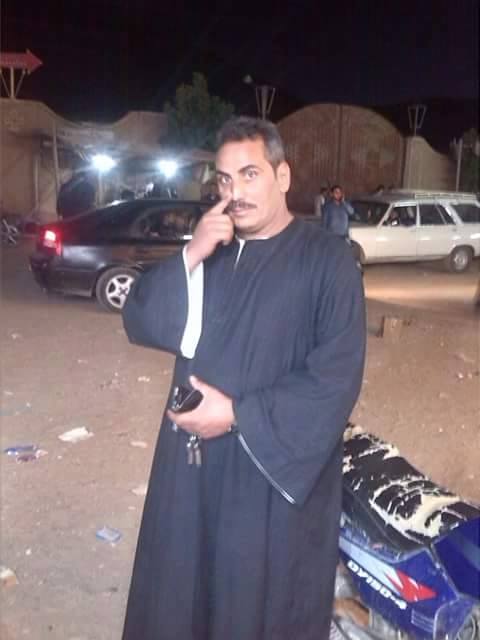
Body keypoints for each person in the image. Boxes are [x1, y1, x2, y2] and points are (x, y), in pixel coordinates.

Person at [121, 116, 366, 640]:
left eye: (250, 175)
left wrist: (236, 415)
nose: (235, 193)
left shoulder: (327, 260)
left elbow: (336, 375)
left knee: (252, 605)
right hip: (190, 475)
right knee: (182, 598)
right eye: (225, 180)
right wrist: (191, 252)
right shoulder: (211, 251)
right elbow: (141, 319)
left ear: (283, 176)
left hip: (266, 478)